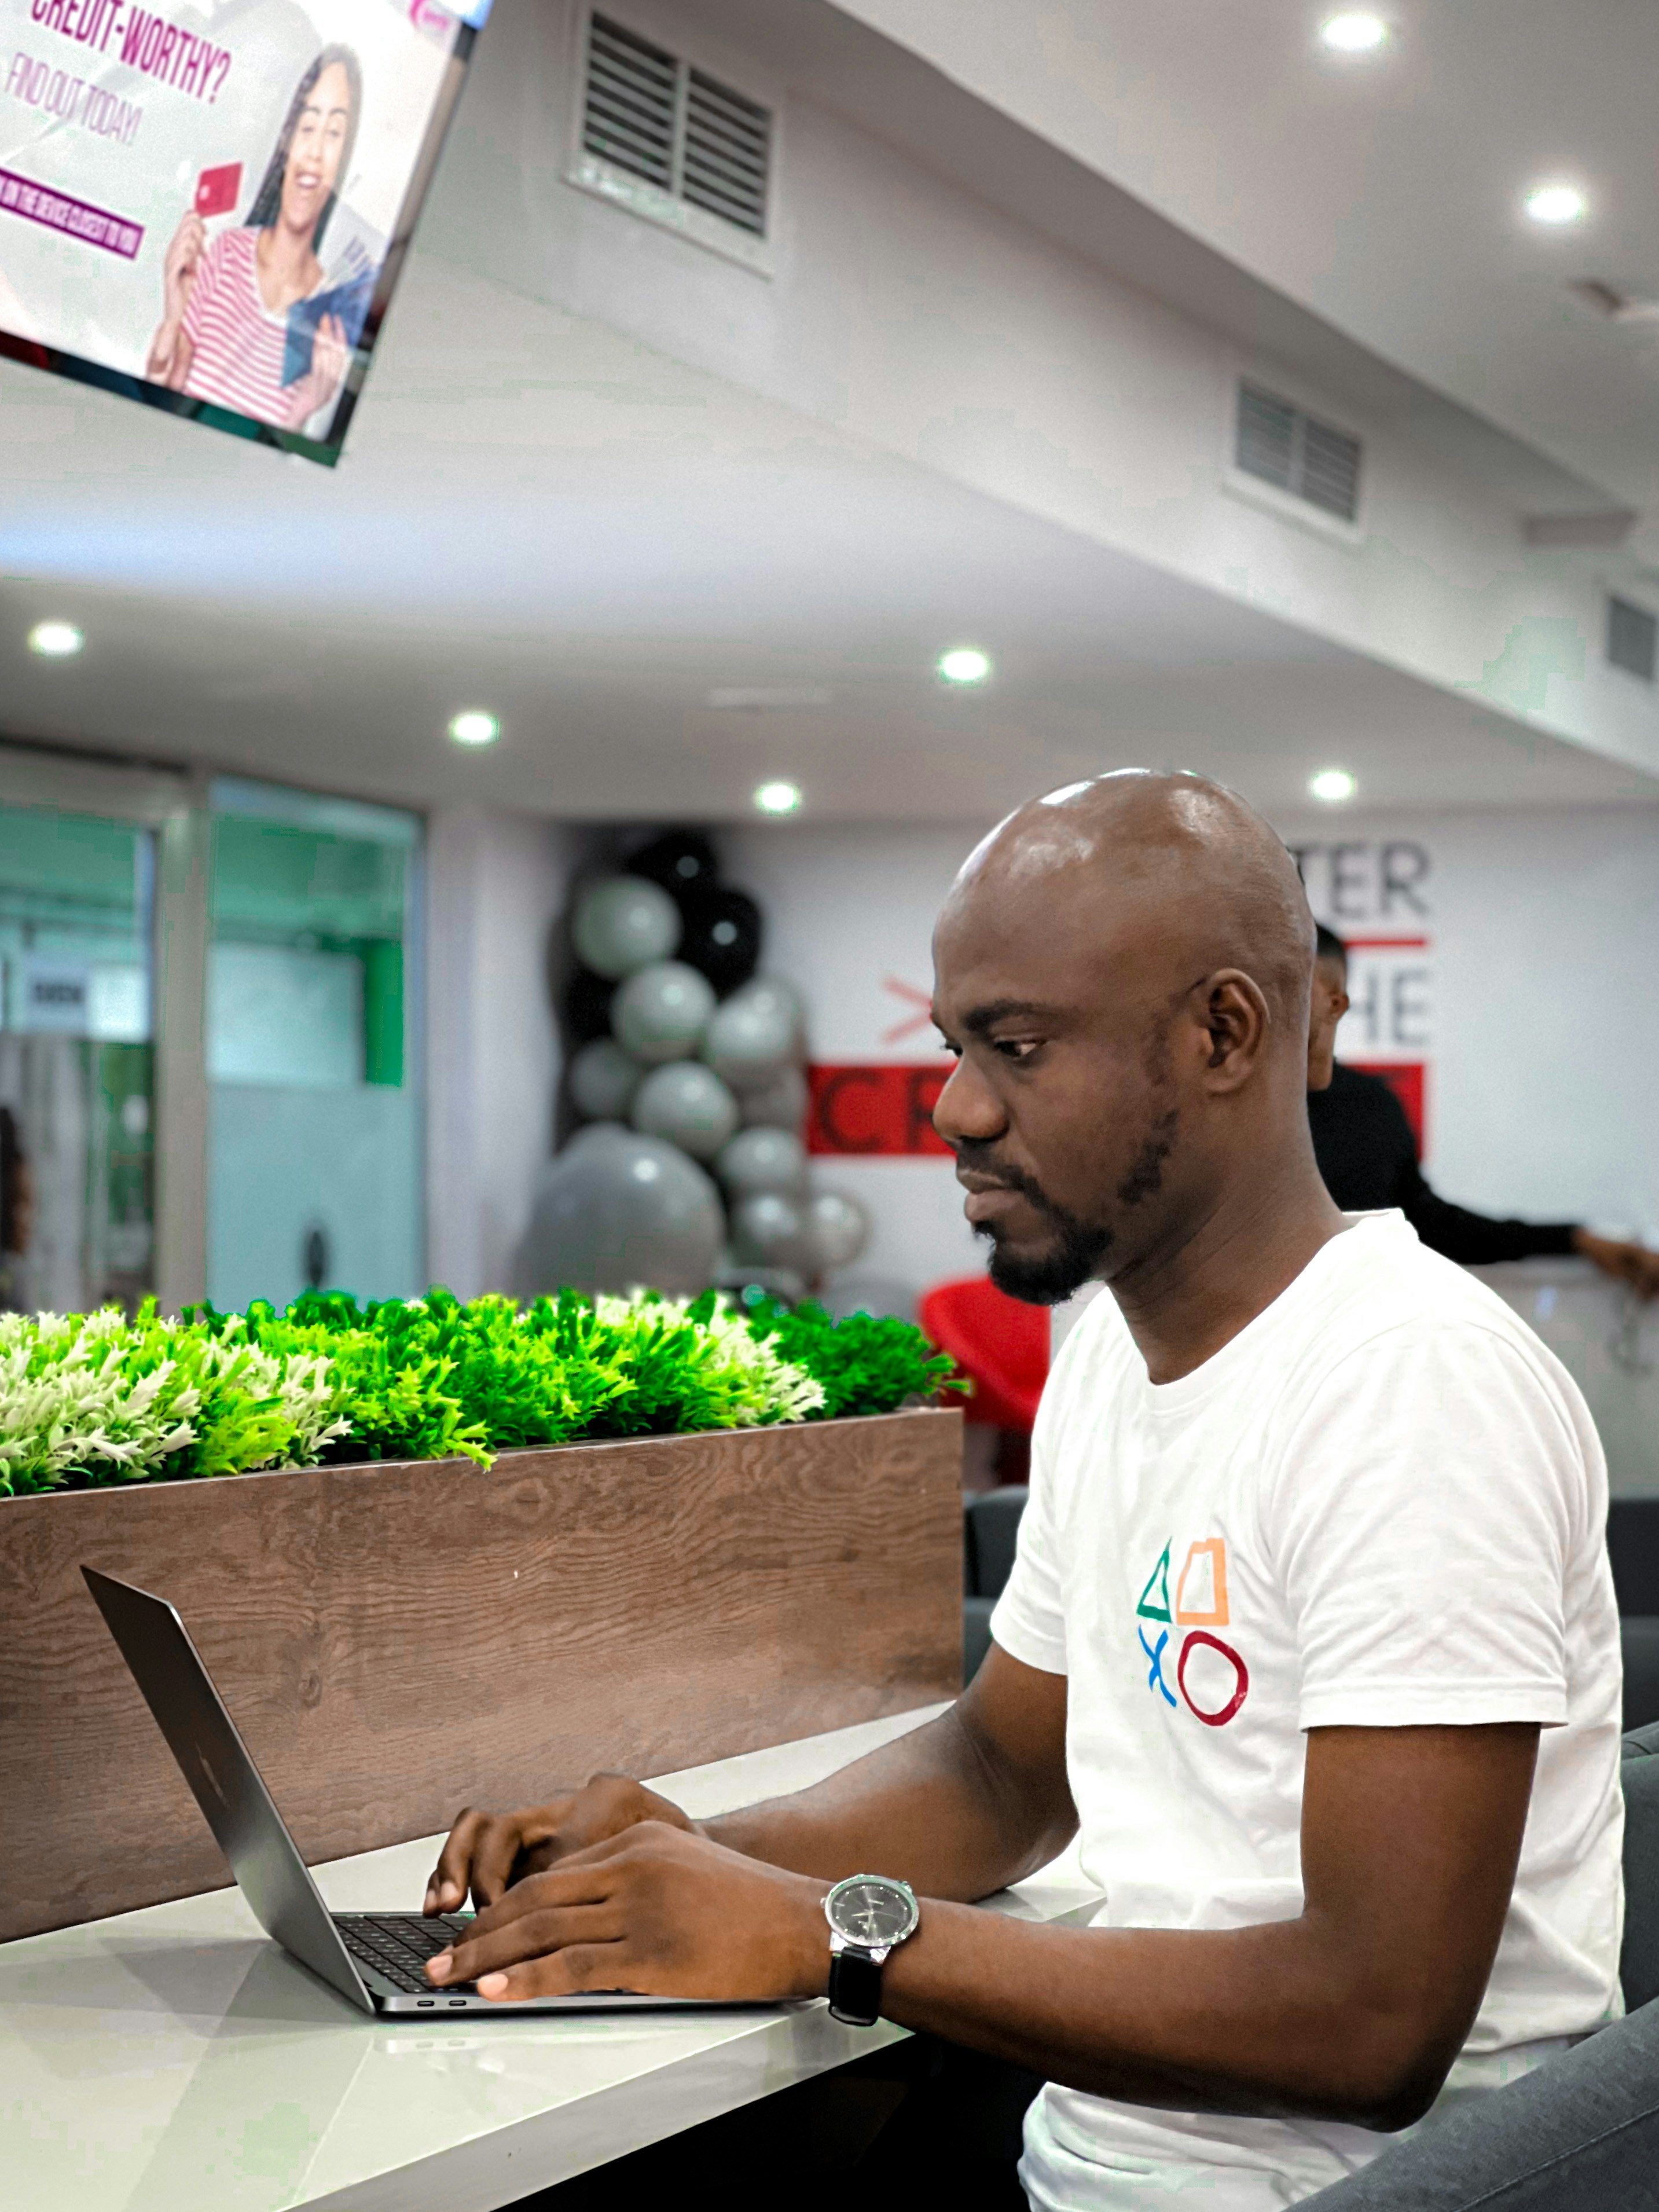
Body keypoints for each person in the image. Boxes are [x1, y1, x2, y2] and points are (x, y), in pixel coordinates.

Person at [417, 773, 1622, 2211]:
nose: (955, 1104)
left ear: (1223, 1031)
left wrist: (832, 1928)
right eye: (953, 1043)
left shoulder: (1410, 1383)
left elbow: (1370, 2021)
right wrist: (681, 1860)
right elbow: (1002, 1770)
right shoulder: (1112, 1344)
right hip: (1087, 2166)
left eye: (1020, 1045)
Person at [1308, 923, 1659, 1294]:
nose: (1273, 1000)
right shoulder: (1262, 1109)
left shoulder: (1371, 1107)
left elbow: (1432, 1226)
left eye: (1291, 982)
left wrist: (1573, 1240)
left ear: (1335, 1002)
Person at [146, 46, 366, 432]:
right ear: (287, 141)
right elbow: (160, 398)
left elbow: (276, 460)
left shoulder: (330, 319)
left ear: (344, 158)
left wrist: (303, 411)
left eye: (334, 133)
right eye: (308, 127)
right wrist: (173, 316)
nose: (315, 153)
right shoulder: (227, 252)